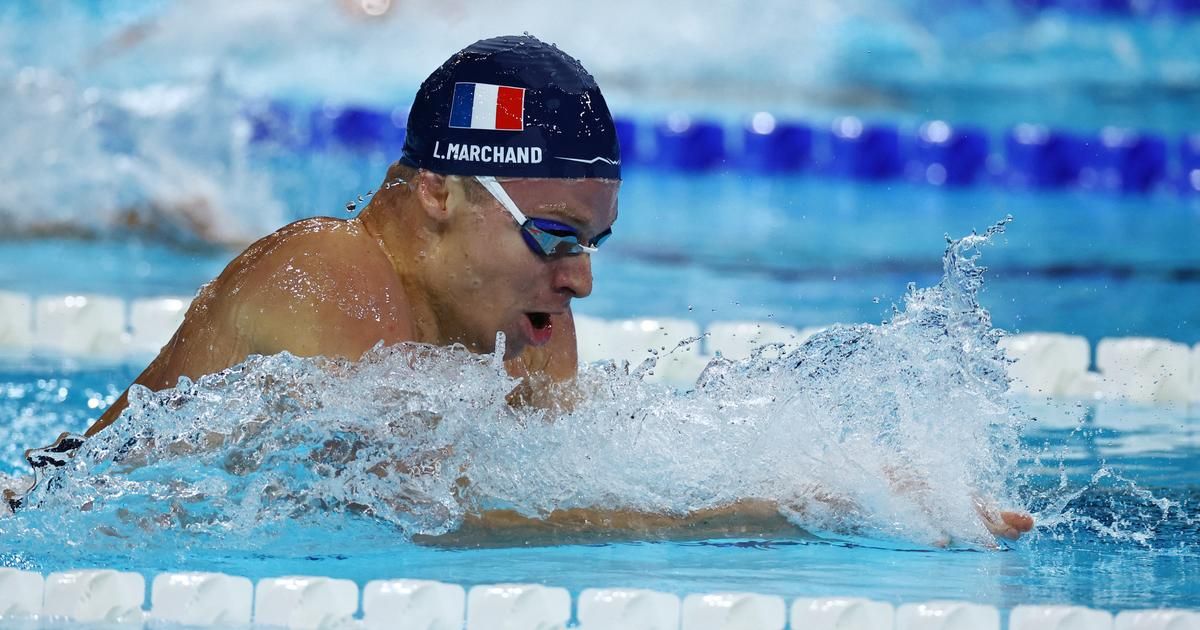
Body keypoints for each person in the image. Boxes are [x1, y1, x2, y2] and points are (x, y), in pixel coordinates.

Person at [14, 35, 1034, 544]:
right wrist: (795, 507)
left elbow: (567, 470)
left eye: (592, 243)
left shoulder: (525, 310)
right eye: (555, 236)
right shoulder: (327, 275)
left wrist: (849, 465)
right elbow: (440, 516)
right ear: (438, 193)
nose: (580, 277)